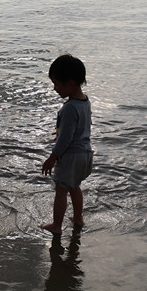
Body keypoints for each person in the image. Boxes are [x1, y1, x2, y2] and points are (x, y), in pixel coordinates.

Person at [41, 54, 93, 234]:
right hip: (85, 154)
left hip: (71, 156)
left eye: (56, 84)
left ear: (70, 84)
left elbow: (66, 140)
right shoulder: (84, 101)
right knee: (74, 186)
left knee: (61, 190)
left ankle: (56, 226)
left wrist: (52, 158)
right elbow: (79, 129)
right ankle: (78, 218)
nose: (55, 88)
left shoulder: (70, 108)